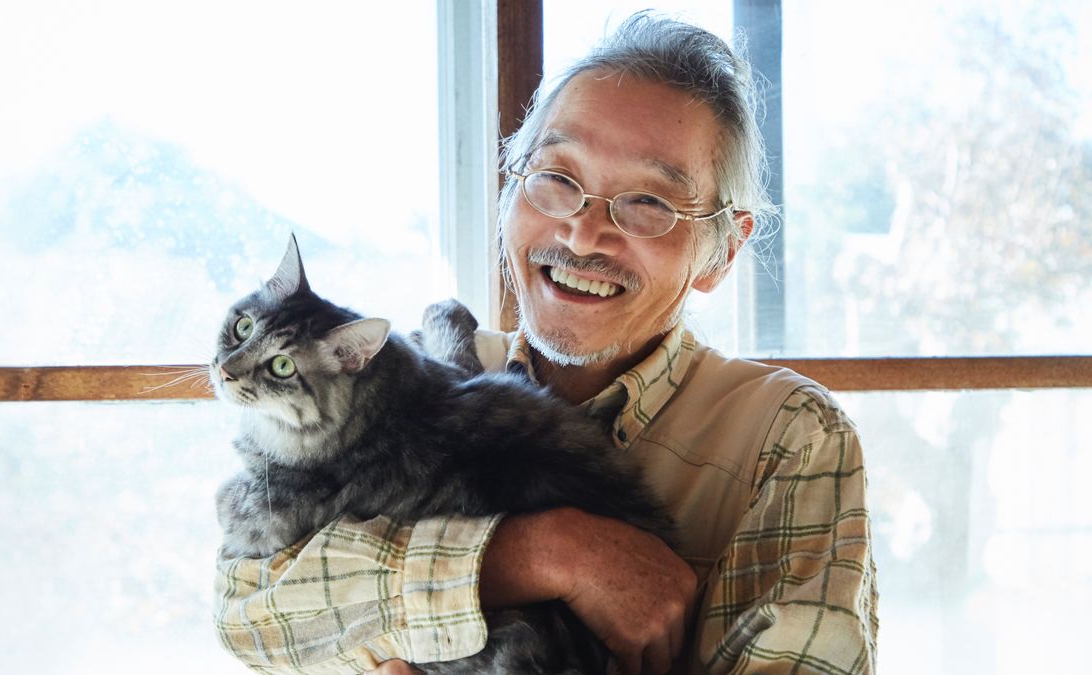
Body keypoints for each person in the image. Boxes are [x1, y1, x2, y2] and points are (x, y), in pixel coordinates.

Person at [214, 12, 878, 674]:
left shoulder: (786, 435)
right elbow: (250, 614)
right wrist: (540, 553)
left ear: (723, 250)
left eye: (649, 201)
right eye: (558, 179)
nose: (584, 234)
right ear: (510, 189)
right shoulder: (392, 385)